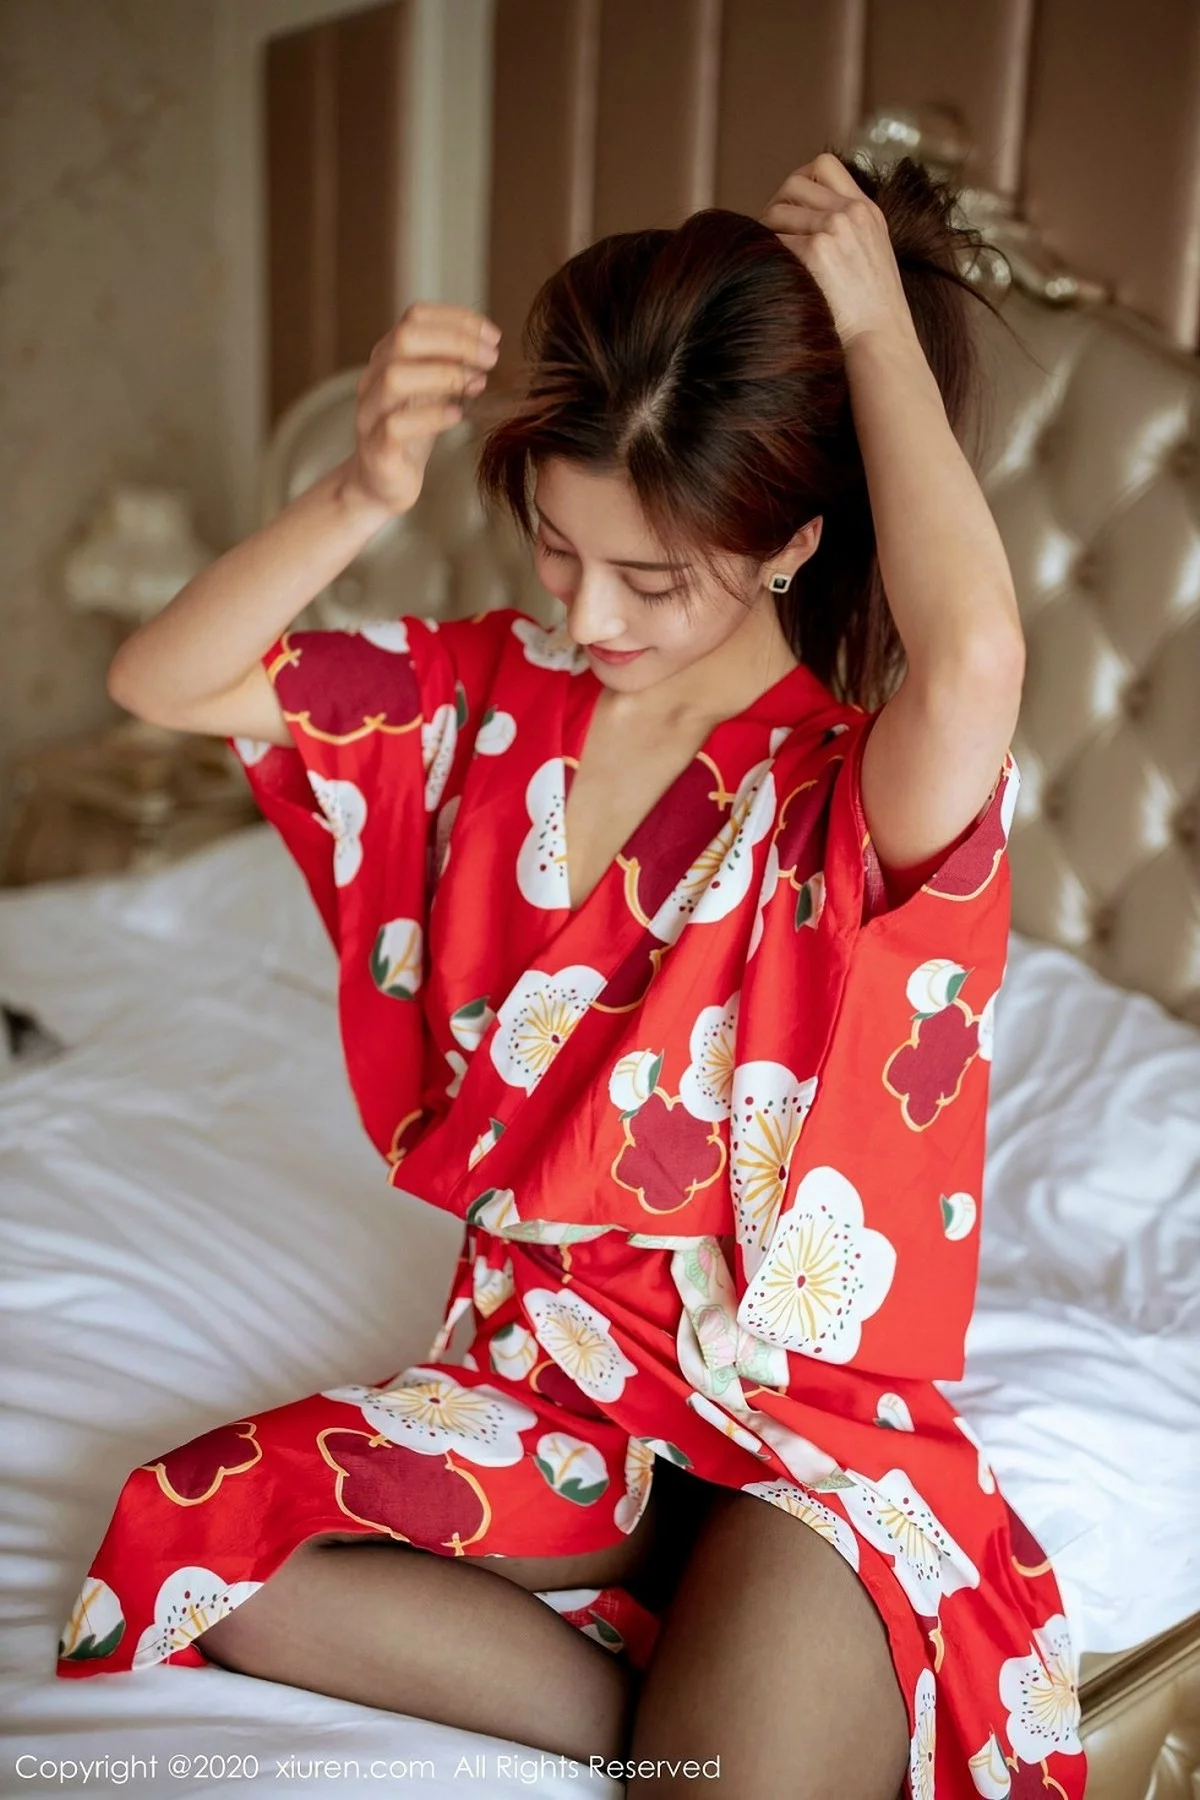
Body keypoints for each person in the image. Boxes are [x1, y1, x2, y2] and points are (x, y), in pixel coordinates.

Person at [55, 151, 1086, 1799]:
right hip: (545, 1377)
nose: (590, 613)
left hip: (788, 1429)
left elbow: (978, 655)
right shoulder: (484, 697)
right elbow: (164, 680)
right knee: (207, 1554)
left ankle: (734, 1699)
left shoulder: (846, 789)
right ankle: (683, 1708)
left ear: (789, 541)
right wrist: (361, 491)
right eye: (555, 546)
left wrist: (876, 328)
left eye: (650, 578)